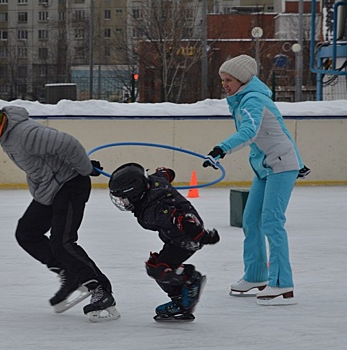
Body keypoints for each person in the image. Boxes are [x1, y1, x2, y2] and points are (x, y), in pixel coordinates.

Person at [0, 91, 120, 322]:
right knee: (27, 233)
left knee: (63, 242)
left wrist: (84, 168)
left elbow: (67, 143)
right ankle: (69, 273)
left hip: (70, 185)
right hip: (52, 189)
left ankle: (100, 289)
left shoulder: (24, 133)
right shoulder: (8, 136)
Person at [203, 55, 310, 305]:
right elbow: (280, 129)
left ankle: (282, 283)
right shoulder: (242, 101)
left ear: (242, 79)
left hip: (281, 166)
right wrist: (301, 161)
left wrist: (221, 149)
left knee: (272, 222)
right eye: (223, 80)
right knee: (251, 220)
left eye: (229, 80)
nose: (225, 84)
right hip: (265, 167)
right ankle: (255, 276)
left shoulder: (253, 100)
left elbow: (249, 132)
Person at [108, 163, 220, 322]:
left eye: (123, 199)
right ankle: (180, 297)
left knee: (159, 269)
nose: (122, 203)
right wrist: (164, 172)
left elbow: (184, 220)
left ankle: (190, 281)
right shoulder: (153, 183)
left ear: (134, 193)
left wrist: (204, 236)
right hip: (176, 236)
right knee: (156, 268)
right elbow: (166, 175)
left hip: (186, 238)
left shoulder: (154, 209)